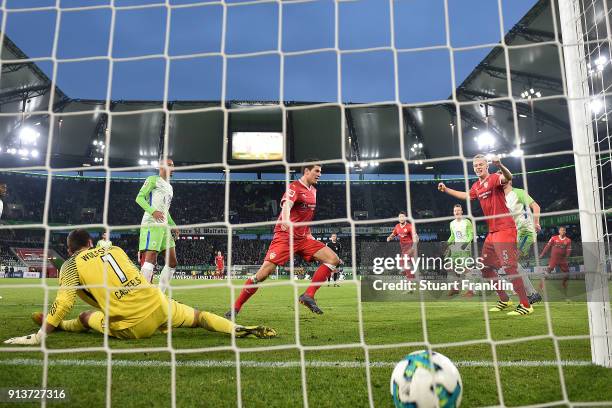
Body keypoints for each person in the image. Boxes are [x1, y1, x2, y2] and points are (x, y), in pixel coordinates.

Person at [4, 229, 276, 345]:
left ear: (70, 249)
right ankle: (237, 328)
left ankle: (59, 328)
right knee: (199, 317)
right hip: (156, 302)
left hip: (132, 324)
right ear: (91, 242)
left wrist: (41, 335)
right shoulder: (117, 249)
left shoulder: (71, 265)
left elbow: (64, 303)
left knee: (86, 318)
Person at [225, 160, 340, 317]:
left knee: (333, 259)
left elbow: (306, 217)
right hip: (285, 237)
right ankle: (236, 307)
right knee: (263, 274)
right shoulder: (294, 187)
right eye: (317, 171)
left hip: (303, 239)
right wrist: (286, 221)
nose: (320, 174)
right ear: (306, 171)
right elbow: (287, 206)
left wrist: (309, 233)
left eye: (320, 171)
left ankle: (308, 296)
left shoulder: (313, 191)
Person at [438, 154, 532, 316]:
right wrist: (446, 189)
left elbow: (509, 177)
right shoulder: (477, 186)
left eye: (481, 164)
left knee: (509, 267)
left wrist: (500, 164)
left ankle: (525, 305)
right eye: (475, 166)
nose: (478, 167)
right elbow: (466, 195)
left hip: (505, 229)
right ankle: (504, 299)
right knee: (486, 267)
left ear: (487, 165)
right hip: (492, 232)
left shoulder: (495, 178)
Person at [136, 159, 179, 294]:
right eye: (171, 165)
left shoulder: (170, 187)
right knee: (151, 258)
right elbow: (139, 198)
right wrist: (152, 211)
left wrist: (173, 225)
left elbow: (165, 210)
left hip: (164, 226)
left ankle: (159, 295)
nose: (173, 168)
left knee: (172, 262)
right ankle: (141, 295)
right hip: (152, 223)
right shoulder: (153, 179)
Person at [502, 180, 543, 304]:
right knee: (507, 263)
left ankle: (530, 293)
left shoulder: (519, 192)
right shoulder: (500, 197)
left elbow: (536, 207)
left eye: (503, 178)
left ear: (509, 180)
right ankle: (529, 293)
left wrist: (536, 223)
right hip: (514, 233)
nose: (501, 181)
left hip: (526, 231)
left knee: (511, 262)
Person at [445, 204, 474, 296]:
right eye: (455, 211)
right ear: (453, 212)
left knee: (466, 269)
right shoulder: (452, 223)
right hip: (455, 248)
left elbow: (471, 235)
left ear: (462, 211)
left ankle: (470, 291)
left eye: (458, 210)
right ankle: (455, 288)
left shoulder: (467, 222)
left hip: (465, 248)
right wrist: (447, 243)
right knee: (451, 268)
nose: (457, 212)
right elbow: (453, 236)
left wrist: (466, 244)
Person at [386, 211, 419, 280]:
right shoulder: (397, 226)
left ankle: (411, 277)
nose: (401, 218)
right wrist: (389, 237)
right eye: (400, 217)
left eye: (403, 217)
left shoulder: (410, 226)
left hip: (410, 247)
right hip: (403, 248)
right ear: (398, 218)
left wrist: (413, 247)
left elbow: (417, 237)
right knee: (405, 267)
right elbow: (393, 234)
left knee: (403, 263)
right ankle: (412, 278)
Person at [539, 226, 572, 291]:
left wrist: (567, 257)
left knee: (567, 273)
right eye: (561, 230)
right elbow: (547, 246)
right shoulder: (553, 238)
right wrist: (542, 254)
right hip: (554, 259)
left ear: (565, 231)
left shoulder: (568, 240)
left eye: (564, 230)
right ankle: (541, 285)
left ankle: (564, 283)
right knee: (548, 271)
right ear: (559, 231)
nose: (562, 231)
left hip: (562, 259)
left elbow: (569, 249)